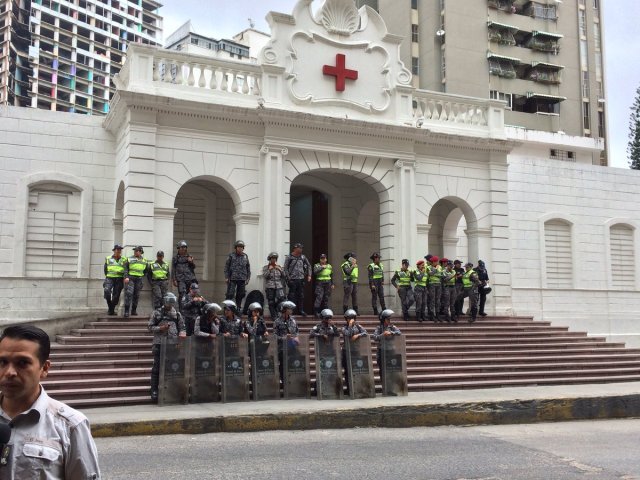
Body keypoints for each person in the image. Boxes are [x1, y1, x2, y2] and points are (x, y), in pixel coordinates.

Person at [0, 325, 101, 479]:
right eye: (3, 362)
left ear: (44, 368)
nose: (9, 372)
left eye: (22, 363)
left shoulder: (71, 426)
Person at [148, 292, 186, 402]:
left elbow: (182, 327)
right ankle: (154, 390)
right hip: (159, 344)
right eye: (169, 303)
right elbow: (150, 327)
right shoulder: (157, 313)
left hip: (173, 344)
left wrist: (182, 333)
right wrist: (161, 328)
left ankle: (171, 390)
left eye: (172, 304)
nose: (171, 306)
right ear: (165, 302)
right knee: (157, 368)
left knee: (173, 368)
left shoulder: (177, 314)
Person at [283, 243, 312, 316]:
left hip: (301, 279)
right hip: (292, 279)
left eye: (301, 248)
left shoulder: (303, 257)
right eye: (300, 248)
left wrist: (309, 275)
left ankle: (301, 310)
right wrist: (289, 278)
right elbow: (285, 268)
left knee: (301, 295)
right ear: (295, 249)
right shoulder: (289, 257)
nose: (301, 249)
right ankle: (290, 310)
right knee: (291, 295)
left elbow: (308, 265)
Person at [372, 309, 401, 376]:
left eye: (389, 319)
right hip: (382, 351)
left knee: (392, 369)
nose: (389, 321)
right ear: (383, 319)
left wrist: (391, 332)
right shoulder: (379, 328)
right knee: (382, 370)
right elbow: (375, 337)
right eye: (387, 319)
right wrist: (383, 334)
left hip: (391, 350)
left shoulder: (392, 327)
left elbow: (399, 333)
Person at [224, 240, 251, 313]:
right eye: (239, 247)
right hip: (232, 278)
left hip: (242, 278)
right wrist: (226, 277)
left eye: (241, 247)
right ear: (236, 248)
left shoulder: (245, 256)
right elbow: (226, 267)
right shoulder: (231, 256)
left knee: (241, 294)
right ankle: (227, 308)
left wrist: (248, 278)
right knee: (230, 294)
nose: (240, 249)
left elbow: (248, 268)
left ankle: (238, 308)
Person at [123, 246, 149, 318]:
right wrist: (126, 277)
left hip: (139, 279)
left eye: (137, 251)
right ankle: (126, 311)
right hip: (130, 278)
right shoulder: (129, 259)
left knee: (136, 295)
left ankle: (133, 310)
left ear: (141, 252)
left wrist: (142, 276)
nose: (135, 252)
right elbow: (125, 269)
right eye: (135, 251)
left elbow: (146, 270)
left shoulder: (145, 260)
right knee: (129, 294)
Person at [171, 240, 197, 310]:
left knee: (190, 295)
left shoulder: (189, 256)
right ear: (178, 248)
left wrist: (191, 262)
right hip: (180, 279)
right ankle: (181, 310)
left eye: (185, 247)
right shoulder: (175, 258)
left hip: (190, 278)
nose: (184, 249)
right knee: (182, 294)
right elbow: (173, 269)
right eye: (182, 247)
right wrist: (174, 279)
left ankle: (189, 309)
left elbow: (193, 267)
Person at [262, 252, 286, 321]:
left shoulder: (279, 266)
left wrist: (280, 270)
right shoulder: (266, 267)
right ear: (269, 259)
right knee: (271, 302)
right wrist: (269, 269)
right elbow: (265, 276)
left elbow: (284, 276)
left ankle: (277, 312)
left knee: (281, 299)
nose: (274, 260)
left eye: (275, 258)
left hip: (279, 286)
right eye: (272, 258)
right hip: (270, 286)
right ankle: (274, 316)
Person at [103, 243, 126, 315]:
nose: (119, 251)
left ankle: (111, 309)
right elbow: (105, 269)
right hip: (110, 277)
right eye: (117, 249)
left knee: (116, 296)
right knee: (107, 291)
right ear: (114, 250)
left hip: (119, 279)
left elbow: (126, 269)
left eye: (120, 249)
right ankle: (111, 307)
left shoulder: (124, 259)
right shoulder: (108, 258)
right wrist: (107, 276)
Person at [313, 254, 334, 318]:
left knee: (326, 297)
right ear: (320, 259)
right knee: (319, 297)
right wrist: (322, 267)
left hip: (328, 283)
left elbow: (331, 275)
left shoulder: (329, 266)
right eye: (322, 258)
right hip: (320, 283)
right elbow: (315, 272)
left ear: (326, 259)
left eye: (324, 258)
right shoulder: (317, 265)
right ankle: (316, 312)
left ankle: (326, 312)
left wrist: (332, 283)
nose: (323, 260)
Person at [427, 255, 443, 322]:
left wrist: (435, 273)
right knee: (432, 300)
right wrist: (436, 270)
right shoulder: (428, 267)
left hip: (438, 285)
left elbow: (441, 275)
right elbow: (430, 274)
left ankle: (437, 314)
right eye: (435, 262)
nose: (436, 263)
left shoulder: (440, 267)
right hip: (432, 285)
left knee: (438, 300)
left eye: (436, 261)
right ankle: (432, 315)